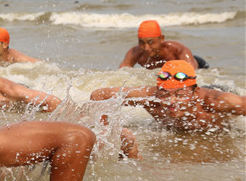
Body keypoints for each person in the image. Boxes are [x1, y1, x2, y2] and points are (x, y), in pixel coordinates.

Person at [91, 60, 245, 132]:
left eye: (180, 95)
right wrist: (103, 132)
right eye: (164, 95)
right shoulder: (151, 98)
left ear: (195, 92)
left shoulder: (215, 102)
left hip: (217, 89)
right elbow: (99, 95)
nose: (171, 102)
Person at [118, 20, 205, 70]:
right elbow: (121, 74)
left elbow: (192, 73)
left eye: (151, 42)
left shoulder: (177, 50)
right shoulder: (135, 53)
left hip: (199, 65)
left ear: (162, 39)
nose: (146, 48)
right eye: (142, 43)